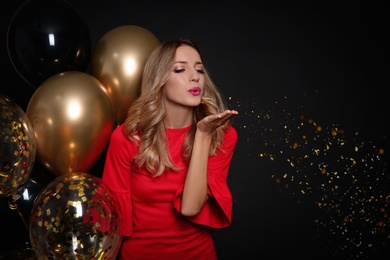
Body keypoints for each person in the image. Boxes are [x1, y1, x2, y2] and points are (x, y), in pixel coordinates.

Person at [101, 38, 238, 260]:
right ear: (159, 80)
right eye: (180, 69)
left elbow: (190, 208)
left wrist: (203, 135)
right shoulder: (126, 137)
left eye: (200, 70)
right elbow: (112, 220)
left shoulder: (222, 135)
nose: (194, 76)